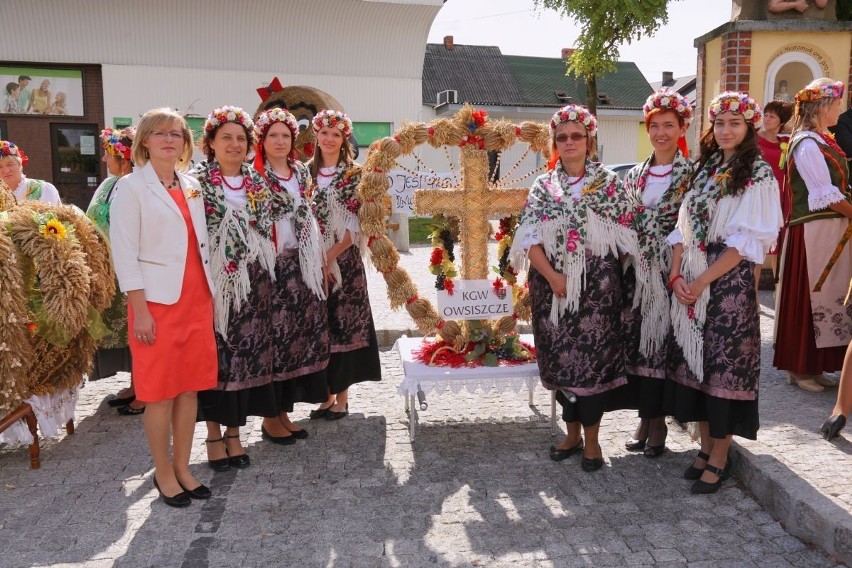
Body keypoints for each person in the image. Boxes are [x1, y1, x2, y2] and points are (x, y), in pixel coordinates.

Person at [510, 104, 640, 472]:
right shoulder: (543, 187)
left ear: (589, 141)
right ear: (555, 144)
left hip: (598, 291)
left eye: (577, 136)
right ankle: (571, 434)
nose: (570, 143)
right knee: (562, 361)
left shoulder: (610, 185)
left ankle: (593, 442)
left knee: (592, 366)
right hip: (551, 288)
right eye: (562, 137)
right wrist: (552, 277)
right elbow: (528, 238)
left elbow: (628, 240)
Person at [666, 92, 782, 494]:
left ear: (749, 127)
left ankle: (720, 455)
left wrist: (701, 282)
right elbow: (682, 227)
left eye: (735, 123)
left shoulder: (758, 174)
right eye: (719, 123)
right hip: (693, 273)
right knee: (697, 365)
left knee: (724, 367)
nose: (726, 130)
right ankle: (703, 447)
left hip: (726, 281)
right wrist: (677, 275)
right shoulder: (706, 168)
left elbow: (746, 244)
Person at [110, 108, 216, 507]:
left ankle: (185, 468)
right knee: (160, 394)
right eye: (159, 133)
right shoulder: (131, 187)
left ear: (185, 142)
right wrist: (140, 309)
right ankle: (164, 472)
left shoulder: (191, 184)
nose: (169, 139)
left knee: (189, 391)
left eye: (176, 133)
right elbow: (124, 252)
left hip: (196, 300)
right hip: (155, 304)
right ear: (144, 141)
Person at [190, 106, 280, 470]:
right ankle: (213, 435)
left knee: (244, 361)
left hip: (254, 285)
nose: (234, 144)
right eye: (226, 137)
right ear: (210, 142)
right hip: (213, 283)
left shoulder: (257, 182)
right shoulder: (196, 182)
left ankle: (234, 434)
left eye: (241, 139)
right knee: (217, 361)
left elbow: (271, 221)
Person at [621, 88, 694, 458]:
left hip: (670, 268)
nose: (661, 132)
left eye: (669, 125)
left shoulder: (691, 175)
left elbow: (691, 224)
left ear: (683, 127)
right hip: (637, 271)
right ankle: (644, 418)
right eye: (655, 126)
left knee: (661, 346)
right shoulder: (634, 175)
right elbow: (624, 219)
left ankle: (658, 422)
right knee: (638, 345)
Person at [253, 108, 329, 442]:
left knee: (293, 340)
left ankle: (284, 412)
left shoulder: (299, 172)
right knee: (272, 340)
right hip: (270, 266)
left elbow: (307, 214)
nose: (280, 141)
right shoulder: (254, 174)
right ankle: (271, 416)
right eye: (273, 135)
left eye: (286, 135)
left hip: (301, 264)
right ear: (263, 140)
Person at [773, 79, 851, 392]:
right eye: (834, 104)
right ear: (820, 108)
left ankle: (815, 365)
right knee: (811, 295)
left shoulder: (823, 140)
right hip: (812, 233)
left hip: (830, 230)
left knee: (828, 297)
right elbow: (825, 194)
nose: (839, 109)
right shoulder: (806, 144)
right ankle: (799, 367)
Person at [308, 109, 381, 420]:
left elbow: (358, 221)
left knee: (343, 322)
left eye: (335, 134)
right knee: (318, 323)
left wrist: (332, 253)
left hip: (344, 259)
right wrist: (314, 255)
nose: (329, 139)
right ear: (316, 136)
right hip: (310, 259)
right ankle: (324, 394)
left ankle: (342, 397)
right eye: (324, 133)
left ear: (344, 139)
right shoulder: (304, 173)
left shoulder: (355, 175)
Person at [86, 127, 141, 414]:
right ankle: (136, 385)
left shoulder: (138, 184)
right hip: (106, 273)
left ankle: (143, 389)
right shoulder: (108, 185)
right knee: (124, 336)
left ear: (124, 156)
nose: (105, 159)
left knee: (136, 332)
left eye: (109, 153)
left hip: (128, 272)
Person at [758, 99, 794, 281]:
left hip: (781, 196)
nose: (767, 118)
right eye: (766, 114)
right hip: (760, 196)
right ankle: (753, 297)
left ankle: (777, 291)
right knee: (758, 245)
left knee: (778, 245)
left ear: (781, 121)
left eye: (772, 116)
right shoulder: (753, 140)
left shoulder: (787, 142)